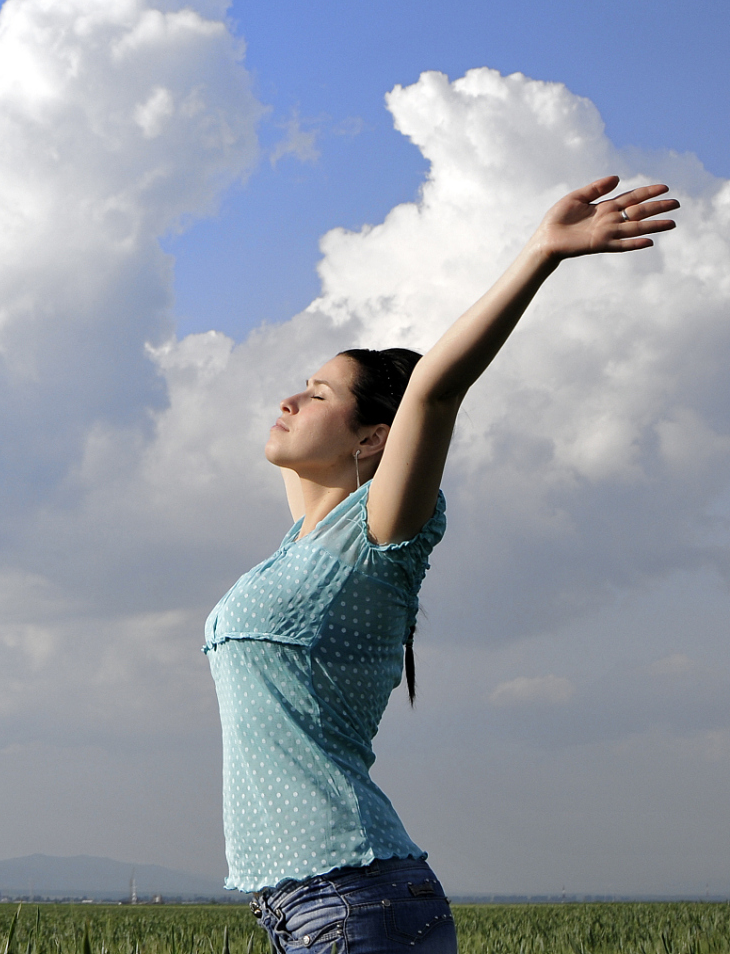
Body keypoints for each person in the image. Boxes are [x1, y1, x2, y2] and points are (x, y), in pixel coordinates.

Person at [203, 175, 680, 953]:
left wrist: (542, 253)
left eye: (318, 392)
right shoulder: (302, 545)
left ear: (372, 438)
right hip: (312, 908)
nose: (290, 398)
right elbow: (304, 459)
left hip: (353, 901)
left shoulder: (381, 535)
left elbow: (433, 391)